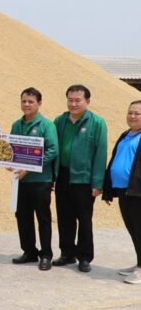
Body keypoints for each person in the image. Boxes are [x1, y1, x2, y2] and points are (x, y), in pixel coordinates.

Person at [53, 85, 107, 272]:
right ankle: (67, 253)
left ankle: (84, 257)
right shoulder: (60, 121)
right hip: (63, 175)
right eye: (70, 100)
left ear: (87, 101)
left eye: (78, 100)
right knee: (64, 217)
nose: (73, 104)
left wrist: (98, 183)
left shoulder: (97, 122)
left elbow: (101, 153)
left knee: (84, 219)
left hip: (84, 178)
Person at [9, 88, 58, 271]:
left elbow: (53, 150)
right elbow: (11, 148)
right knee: (22, 216)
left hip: (41, 180)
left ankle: (46, 255)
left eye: (31, 101)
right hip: (20, 180)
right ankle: (29, 251)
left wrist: (29, 168)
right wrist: (7, 161)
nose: (27, 104)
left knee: (43, 218)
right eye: (24, 101)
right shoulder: (17, 125)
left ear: (39, 103)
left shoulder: (47, 125)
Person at [103, 100, 141, 284]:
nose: (132, 116)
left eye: (137, 113)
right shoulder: (125, 135)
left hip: (137, 192)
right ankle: (139, 263)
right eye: (130, 112)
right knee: (133, 229)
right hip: (123, 191)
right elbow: (114, 160)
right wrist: (108, 189)